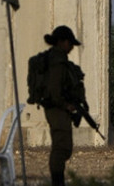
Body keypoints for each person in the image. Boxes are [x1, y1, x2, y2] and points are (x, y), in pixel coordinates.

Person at [42, 25, 83, 186]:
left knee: (64, 147)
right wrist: (66, 105)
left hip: (58, 108)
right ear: (61, 42)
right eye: (69, 43)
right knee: (61, 148)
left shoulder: (59, 59)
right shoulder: (57, 62)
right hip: (56, 108)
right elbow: (54, 90)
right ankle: (57, 182)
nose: (71, 47)